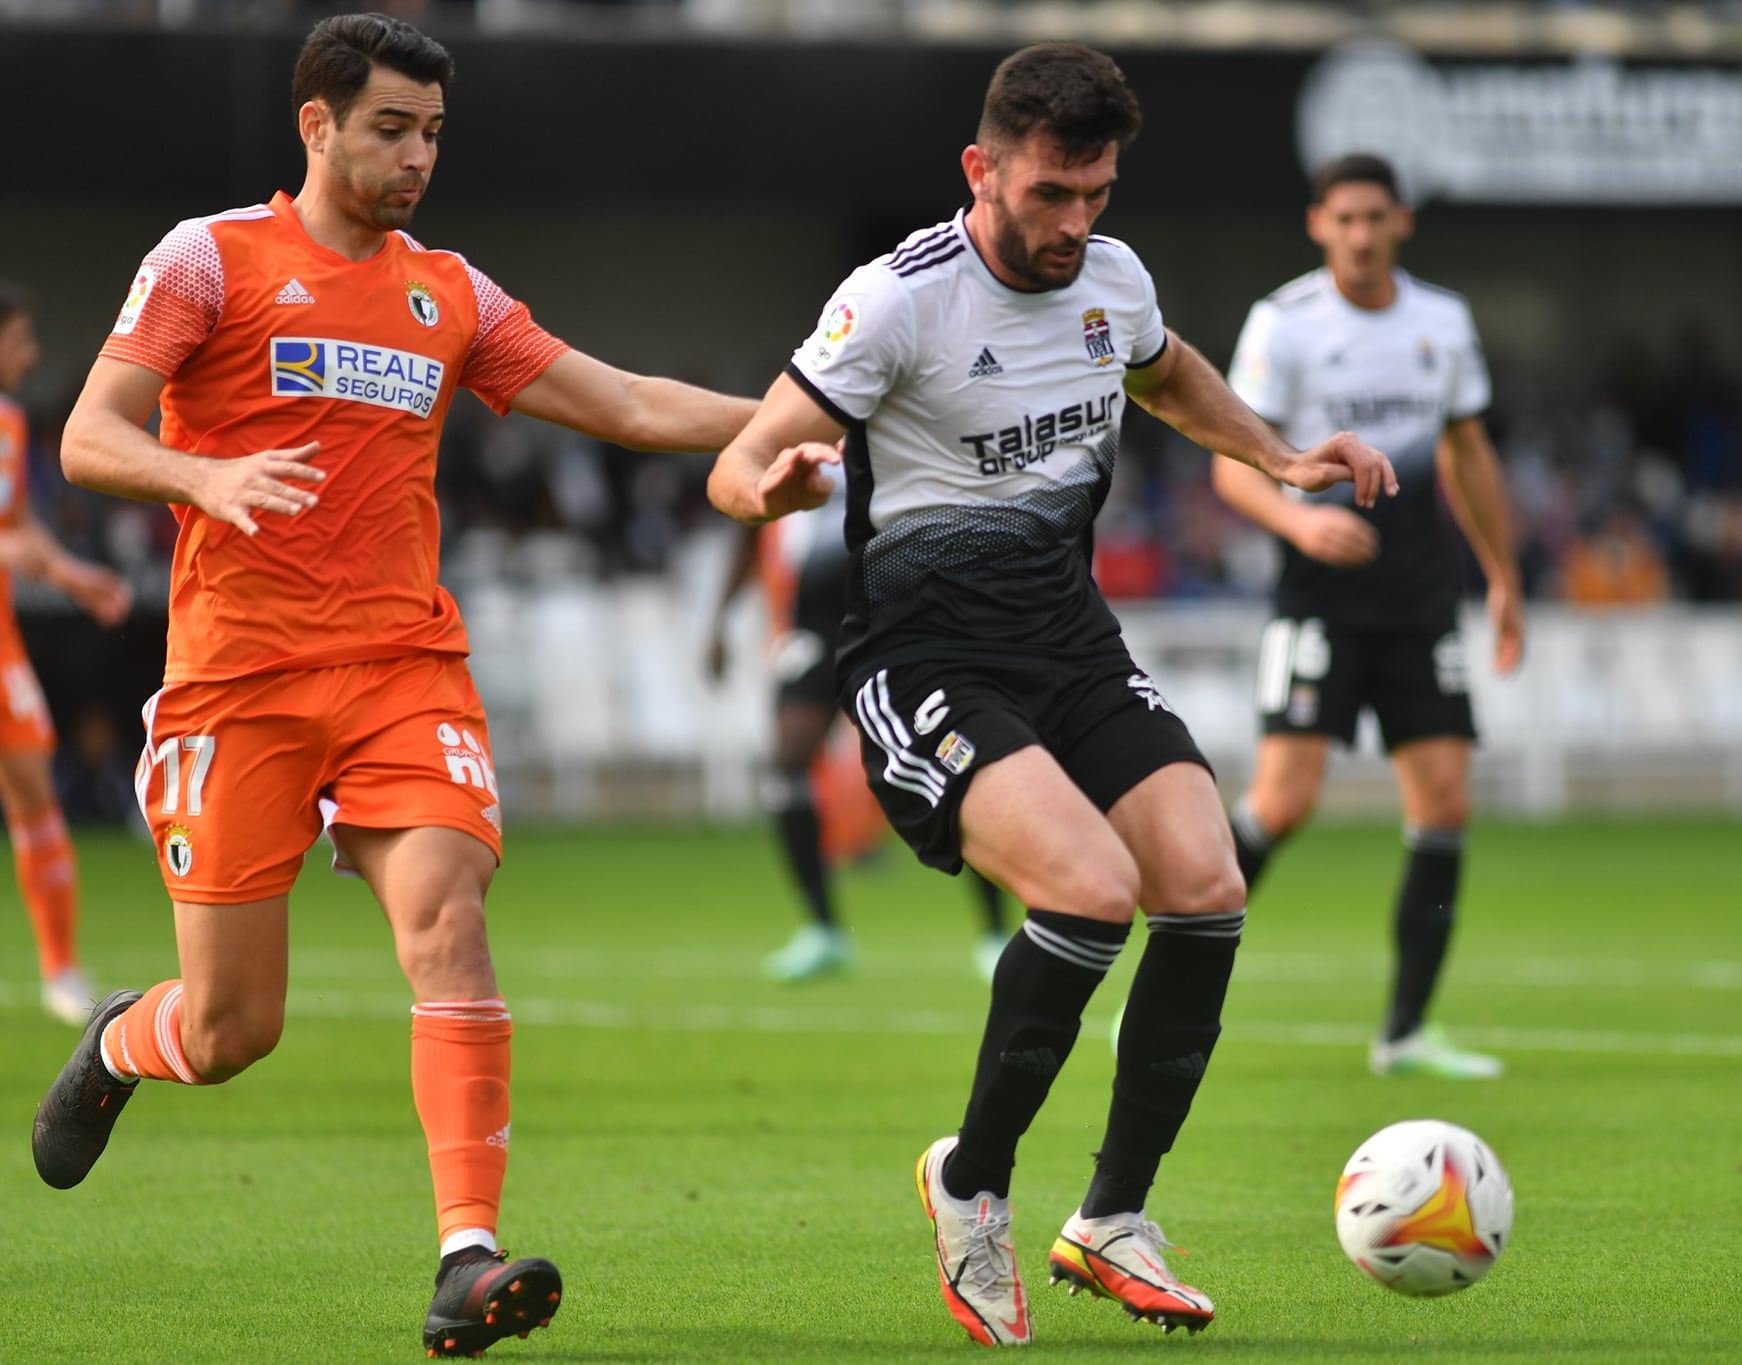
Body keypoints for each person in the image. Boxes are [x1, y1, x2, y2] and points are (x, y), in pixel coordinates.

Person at [29, 15, 758, 1358]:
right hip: (237, 681)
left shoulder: (452, 294)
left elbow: (634, 406)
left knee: (449, 914)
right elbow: (89, 434)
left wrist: (809, 410)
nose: (418, 156)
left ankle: (464, 1257)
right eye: (390, 128)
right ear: (317, 125)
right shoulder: (210, 260)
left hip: (398, 670)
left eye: (432, 132)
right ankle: (127, 1043)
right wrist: (206, 476)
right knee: (235, 1026)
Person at [709, 43, 1394, 1346]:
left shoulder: (1113, 279)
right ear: (984, 170)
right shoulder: (896, 302)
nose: (1075, 225)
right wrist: (774, 485)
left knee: (1205, 881)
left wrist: (1281, 455)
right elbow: (736, 465)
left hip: (1070, 643)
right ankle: (972, 1183)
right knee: (1090, 889)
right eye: (1049, 196)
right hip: (924, 663)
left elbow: (1168, 368)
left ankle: (1109, 1220)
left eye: (1097, 194)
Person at [1211, 153, 1523, 1081]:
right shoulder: (1285, 323)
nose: (1360, 233)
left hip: (1421, 596)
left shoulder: (1444, 322)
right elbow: (1231, 460)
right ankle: (1161, 982)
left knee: (1445, 805)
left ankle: (1407, 1031)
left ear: (1401, 224)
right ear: (1319, 224)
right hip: (1320, 599)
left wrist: (1502, 574)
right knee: (1284, 801)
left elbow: (1468, 454)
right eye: (1344, 218)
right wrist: (1298, 524)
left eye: (1375, 217)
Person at [706, 484, 1011, 983]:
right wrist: (719, 619)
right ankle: (823, 930)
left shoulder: (887, 425)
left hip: (898, 617)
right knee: (788, 765)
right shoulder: (795, 438)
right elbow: (749, 524)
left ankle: (996, 934)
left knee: (952, 761)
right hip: (815, 626)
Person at [0, 284, 136, 1024]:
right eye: (18, 337)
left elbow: (16, 528)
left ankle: (60, 969)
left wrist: (76, 576)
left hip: (2, 645)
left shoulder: (11, 423)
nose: (29, 352)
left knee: (35, 793)